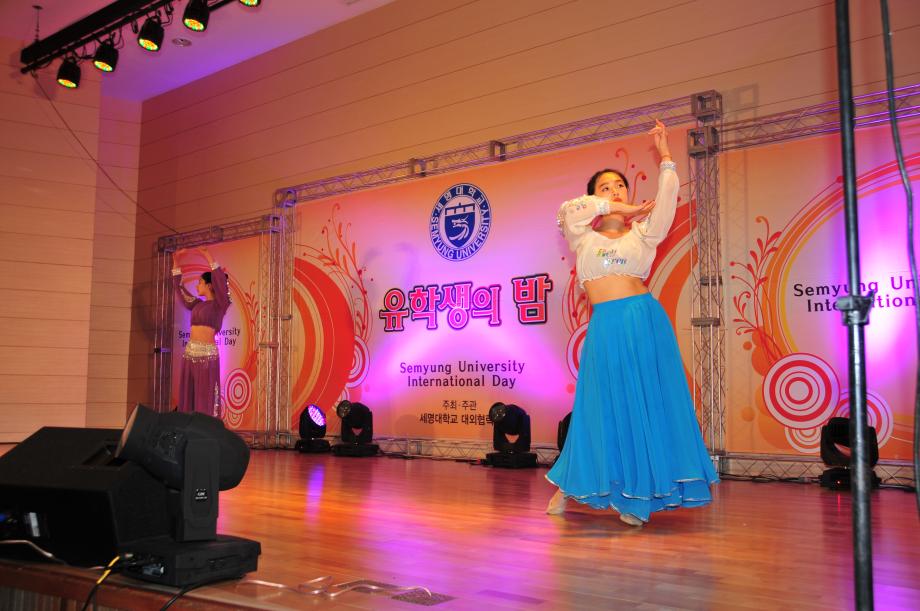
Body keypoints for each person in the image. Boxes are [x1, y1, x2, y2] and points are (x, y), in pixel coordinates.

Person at [545, 119, 718, 527]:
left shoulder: (642, 233)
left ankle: (636, 496)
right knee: (597, 408)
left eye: (620, 186)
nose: (615, 191)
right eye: (605, 187)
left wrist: (666, 156)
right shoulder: (581, 236)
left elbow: (667, 202)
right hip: (605, 326)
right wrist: (615, 206)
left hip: (641, 320)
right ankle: (569, 485)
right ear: (595, 196)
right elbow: (570, 210)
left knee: (642, 405)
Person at [172, 247, 231, 417]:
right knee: (188, 395)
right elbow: (180, 289)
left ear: (209, 285)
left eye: (200, 282)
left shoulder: (220, 304)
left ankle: (206, 428)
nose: (197, 285)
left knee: (205, 396)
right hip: (190, 353)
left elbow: (221, 284)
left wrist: (207, 255)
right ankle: (187, 427)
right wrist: (176, 262)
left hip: (207, 356)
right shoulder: (196, 304)